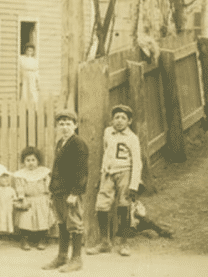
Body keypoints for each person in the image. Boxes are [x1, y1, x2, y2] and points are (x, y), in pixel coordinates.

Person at [87, 104, 142, 257]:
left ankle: (124, 242)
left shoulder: (132, 138)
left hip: (125, 172)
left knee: (124, 206)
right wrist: (102, 172)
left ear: (129, 121)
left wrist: (134, 184)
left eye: (123, 118)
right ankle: (105, 242)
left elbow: (137, 162)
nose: (119, 121)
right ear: (112, 120)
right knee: (101, 205)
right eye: (116, 117)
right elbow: (106, 152)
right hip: (108, 173)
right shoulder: (108, 133)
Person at [43, 108, 89, 272]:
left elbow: (82, 171)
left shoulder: (78, 143)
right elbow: (56, 169)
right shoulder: (60, 143)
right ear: (57, 127)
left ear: (75, 126)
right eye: (61, 124)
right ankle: (62, 257)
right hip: (58, 191)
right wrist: (52, 190)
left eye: (68, 124)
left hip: (70, 193)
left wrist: (75, 193)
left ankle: (76, 259)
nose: (64, 127)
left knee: (74, 224)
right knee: (62, 224)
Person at [13, 146, 54, 250]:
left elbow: (49, 185)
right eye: (27, 160)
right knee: (25, 220)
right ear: (23, 161)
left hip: (41, 199)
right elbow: (19, 186)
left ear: (38, 161)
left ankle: (42, 239)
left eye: (33, 160)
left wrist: (49, 196)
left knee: (42, 219)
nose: (30, 163)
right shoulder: (21, 174)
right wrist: (21, 197)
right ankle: (24, 240)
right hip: (27, 199)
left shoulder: (43, 173)